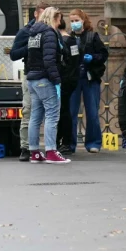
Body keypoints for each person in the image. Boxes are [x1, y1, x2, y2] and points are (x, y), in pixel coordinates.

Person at [25, 7, 70, 164]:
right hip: (45, 79)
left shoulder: (33, 33)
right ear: (54, 18)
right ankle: (51, 151)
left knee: (35, 117)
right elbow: (49, 60)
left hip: (33, 79)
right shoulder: (49, 33)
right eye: (59, 19)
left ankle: (34, 152)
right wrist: (56, 80)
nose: (59, 23)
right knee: (52, 115)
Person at [67, 9, 108, 153]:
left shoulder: (92, 36)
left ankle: (93, 142)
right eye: (72, 21)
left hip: (90, 77)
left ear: (83, 20)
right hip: (74, 78)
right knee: (71, 112)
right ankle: (70, 143)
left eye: (76, 20)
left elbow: (103, 54)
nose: (74, 23)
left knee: (92, 112)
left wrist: (93, 58)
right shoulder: (69, 38)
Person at [10, 3, 46, 162]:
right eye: (43, 14)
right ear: (36, 14)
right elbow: (14, 54)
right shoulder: (25, 32)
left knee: (51, 113)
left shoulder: (51, 31)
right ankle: (25, 147)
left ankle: (52, 147)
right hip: (30, 74)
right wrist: (30, 46)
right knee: (28, 111)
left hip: (47, 75)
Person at [56, 19, 79, 156]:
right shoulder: (71, 40)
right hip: (69, 79)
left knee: (63, 111)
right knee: (63, 111)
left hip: (64, 80)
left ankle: (65, 141)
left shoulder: (66, 41)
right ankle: (64, 141)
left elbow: (70, 62)